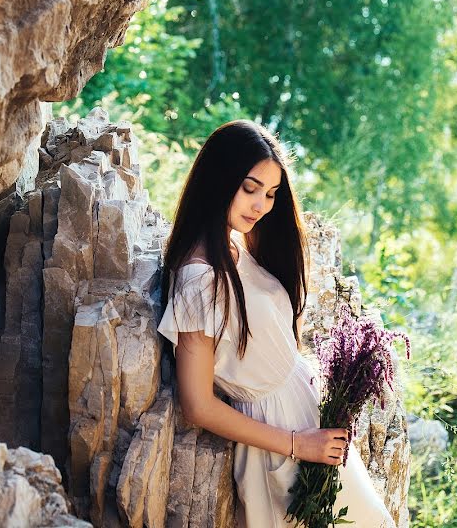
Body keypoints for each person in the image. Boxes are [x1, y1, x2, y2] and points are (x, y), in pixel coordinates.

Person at [157, 120, 395, 527]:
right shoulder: (199, 280)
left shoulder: (234, 243)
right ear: (218, 179)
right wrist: (296, 444)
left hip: (308, 422)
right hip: (279, 441)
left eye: (270, 194)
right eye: (250, 188)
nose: (261, 205)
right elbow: (196, 404)